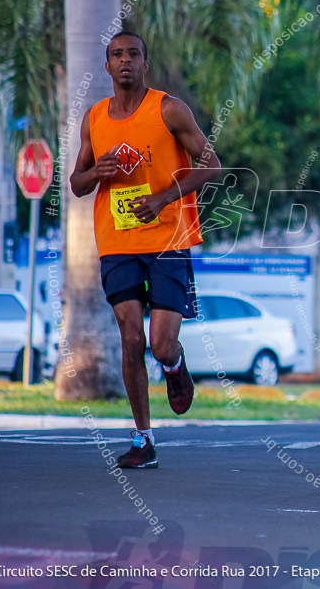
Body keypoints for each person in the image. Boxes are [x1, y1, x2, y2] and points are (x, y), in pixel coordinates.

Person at [70, 31, 221, 468]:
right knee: (131, 338)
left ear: (145, 64)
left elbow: (211, 165)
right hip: (117, 241)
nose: (125, 61)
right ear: (107, 66)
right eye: (116, 55)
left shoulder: (169, 109)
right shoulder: (94, 119)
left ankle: (175, 368)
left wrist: (161, 198)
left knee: (161, 343)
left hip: (168, 238)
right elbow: (77, 185)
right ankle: (143, 440)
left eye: (133, 54)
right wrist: (96, 172)